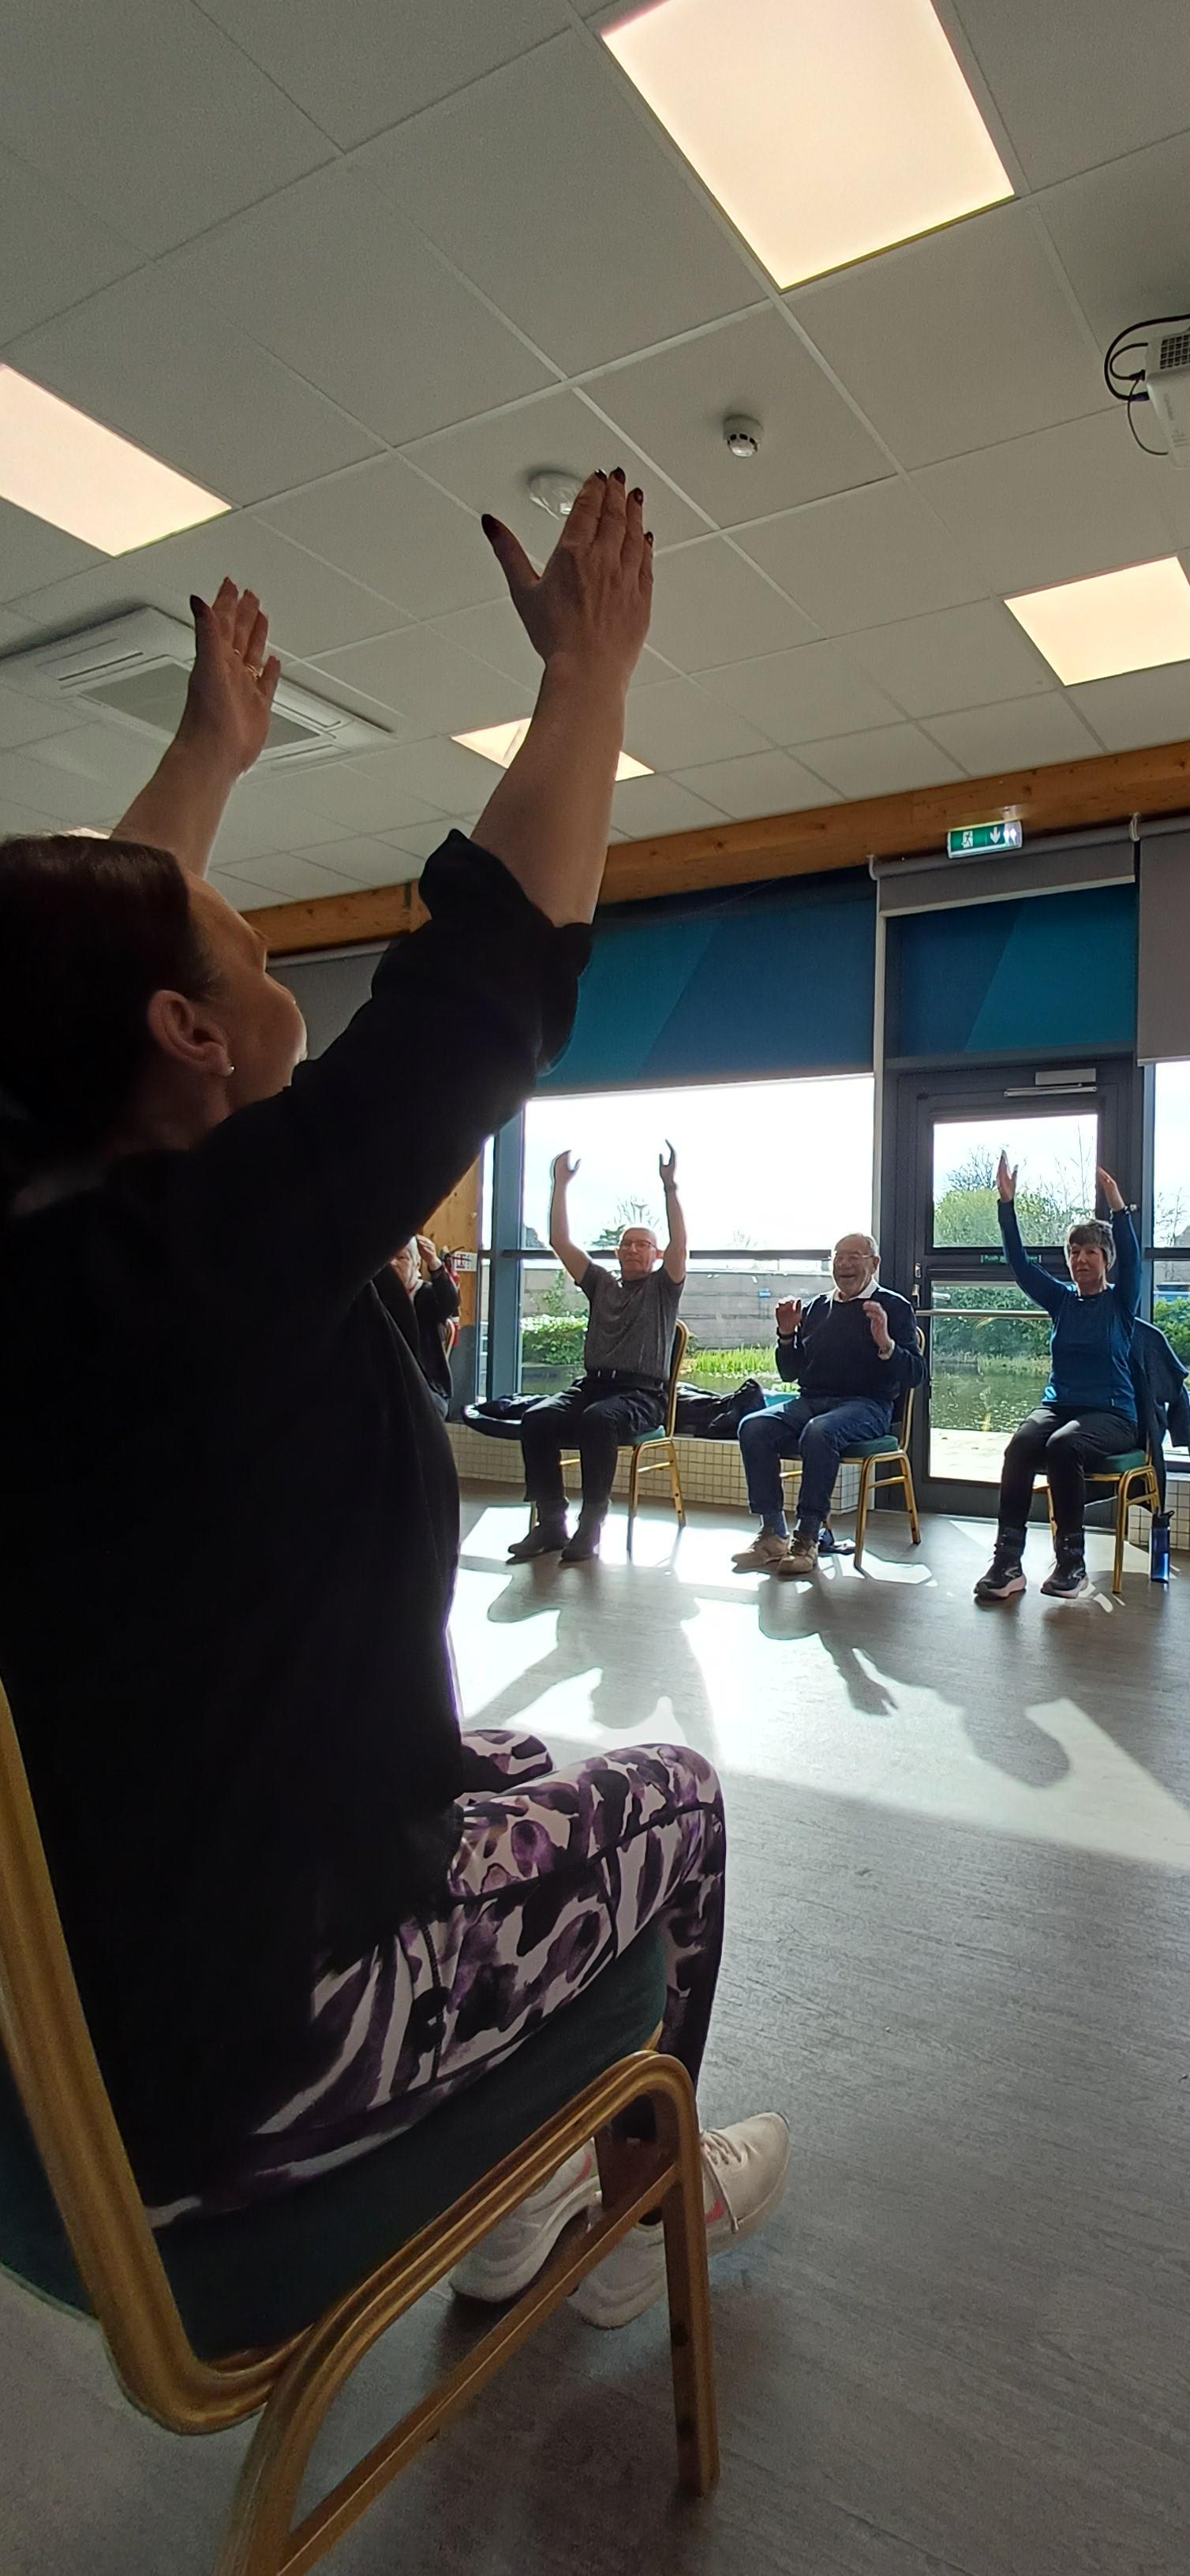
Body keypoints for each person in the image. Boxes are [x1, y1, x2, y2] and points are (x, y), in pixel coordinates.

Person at [0, 477, 784, 2333]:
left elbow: (53, 1002)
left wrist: (206, 757)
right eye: (249, 948)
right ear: (191, 1040)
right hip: (252, 2067)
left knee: (501, 1762)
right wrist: (590, 679)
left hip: (78, 2033)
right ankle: (610, 2207)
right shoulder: (221, 1253)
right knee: (666, 1796)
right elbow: (481, 989)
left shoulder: (60, 1243)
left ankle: (520, 2178)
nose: (273, 958)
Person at [507, 1144, 687, 1565]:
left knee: (598, 1421)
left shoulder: (664, 1288)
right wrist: (559, 1185)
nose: (633, 1250)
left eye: (643, 1245)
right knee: (536, 1419)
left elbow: (681, 1242)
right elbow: (559, 1241)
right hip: (593, 1386)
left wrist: (670, 1188)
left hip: (641, 1396)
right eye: (627, 1245)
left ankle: (592, 1524)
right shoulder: (602, 1284)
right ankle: (552, 1522)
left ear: (655, 1255)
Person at [975, 1155, 1139, 1604]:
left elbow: (1135, 1260)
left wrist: (1119, 1208)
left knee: (1063, 1446)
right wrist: (1006, 1205)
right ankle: (1007, 1563)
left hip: (1112, 1415)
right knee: (1021, 1445)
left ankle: (1073, 1565)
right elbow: (1020, 1264)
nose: (1080, 1259)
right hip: (1060, 1405)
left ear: (1106, 1259)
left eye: (1090, 1252)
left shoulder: (1122, 1302)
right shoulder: (1061, 1301)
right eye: (1074, 1251)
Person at [733, 1232, 921, 1578]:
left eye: (855, 1257)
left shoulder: (894, 1307)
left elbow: (915, 1375)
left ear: (874, 1264)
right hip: (812, 1400)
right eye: (838, 1257)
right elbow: (791, 1373)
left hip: (868, 1406)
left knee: (819, 1433)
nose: (845, 1264)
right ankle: (773, 1532)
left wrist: (887, 1344)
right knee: (753, 1426)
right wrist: (786, 1336)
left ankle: (807, 1536)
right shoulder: (818, 1307)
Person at [374, 1232, 462, 1416]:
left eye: (401, 1258)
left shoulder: (428, 1295)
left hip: (427, 1385)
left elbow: (450, 1302)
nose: (393, 1264)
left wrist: (434, 1263)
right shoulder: (378, 1297)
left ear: (416, 1264)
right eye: (388, 1258)